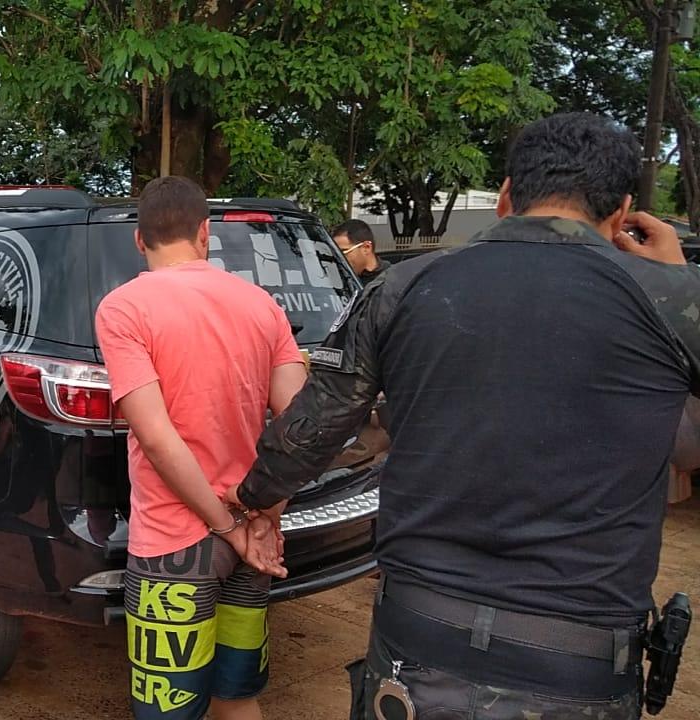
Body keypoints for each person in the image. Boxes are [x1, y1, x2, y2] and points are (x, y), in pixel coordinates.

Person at [227, 112, 700, 718]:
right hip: (579, 669)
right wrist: (678, 281)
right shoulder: (672, 299)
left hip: (418, 654)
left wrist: (255, 500)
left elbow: (312, 429)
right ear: (624, 211)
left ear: (505, 196)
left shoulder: (401, 289)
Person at [94, 176, 309, 720]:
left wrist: (225, 527)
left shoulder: (124, 310)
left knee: (169, 712)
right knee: (236, 699)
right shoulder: (262, 305)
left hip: (175, 541)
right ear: (205, 233)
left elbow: (159, 439)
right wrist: (263, 518)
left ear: (139, 241)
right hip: (253, 538)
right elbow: (303, 427)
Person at [331, 219, 389, 286]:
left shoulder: (392, 281)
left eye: (343, 252)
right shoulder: (338, 280)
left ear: (366, 247)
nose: (338, 259)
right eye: (335, 253)